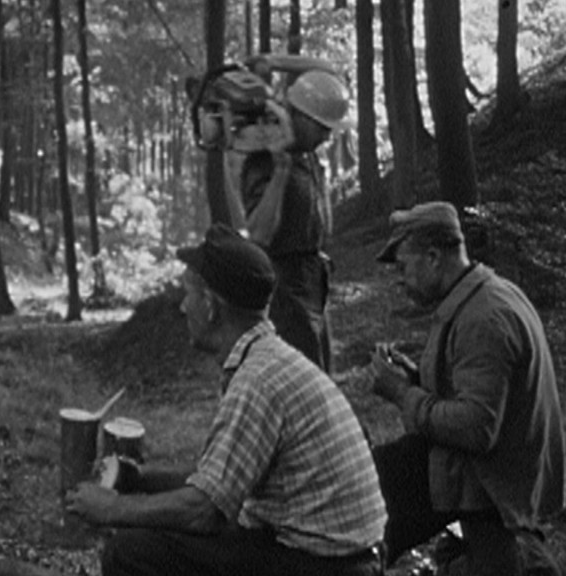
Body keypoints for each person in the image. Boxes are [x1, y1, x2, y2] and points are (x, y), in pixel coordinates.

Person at [65, 223, 387, 576]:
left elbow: (205, 510)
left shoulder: (258, 380)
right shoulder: (267, 361)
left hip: (326, 566)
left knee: (131, 552)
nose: (183, 307)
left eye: (189, 294)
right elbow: (221, 481)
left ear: (212, 305)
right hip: (340, 558)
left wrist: (112, 509)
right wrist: (141, 478)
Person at [370, 201, 565, 575]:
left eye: (404, 267)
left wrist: (401, 394)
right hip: (493, 486)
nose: (401, 279)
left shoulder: (484, 319)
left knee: (382, 495)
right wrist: (416, 380)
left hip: (497, 499)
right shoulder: (478, 297)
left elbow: (476, 428)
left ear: (432, 257)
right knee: (384, 474)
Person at [240, 69, 352, 372]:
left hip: (313, 280)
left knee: (322, 372)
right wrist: (279, 171)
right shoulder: (263, 162)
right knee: (301, 377)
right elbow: (259, 234)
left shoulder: (310, 155)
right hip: (283, 288)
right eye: (321, 127)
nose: (327, 136)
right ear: (298, 117)